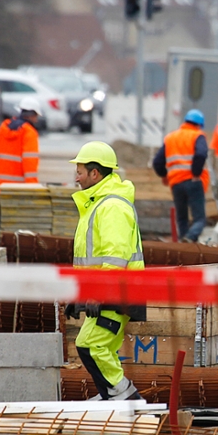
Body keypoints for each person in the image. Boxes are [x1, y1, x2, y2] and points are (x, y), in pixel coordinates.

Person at [70, 141, 145, 400]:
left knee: (92, 345)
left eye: (79, 171)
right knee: (98, 347)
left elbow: (116, 258)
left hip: (118, 291)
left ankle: (124, 398)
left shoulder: (111, 206)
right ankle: (112, 396)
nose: (76, 177)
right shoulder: (98, 204)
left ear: (95, 173)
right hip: (109, 291)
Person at [153, 108, 210, 242]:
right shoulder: (197, 136)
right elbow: (201, 154)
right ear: (199, 124)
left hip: (176, 184)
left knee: (182, 218)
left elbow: (157, 162)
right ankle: (189, 238)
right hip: (193, 181)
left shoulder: (170, 138)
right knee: (200, 219)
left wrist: (165, 175)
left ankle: (183, 245)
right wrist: (196, 173)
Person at [0, 104, 42, 243]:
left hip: (2, 184)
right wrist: (33, 188)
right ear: (32, 115)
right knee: (19, 217)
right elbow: (29, 162)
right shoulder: (29, 133)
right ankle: (13, 243)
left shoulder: (2, 129)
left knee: (2, 215)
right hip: (21, 186)